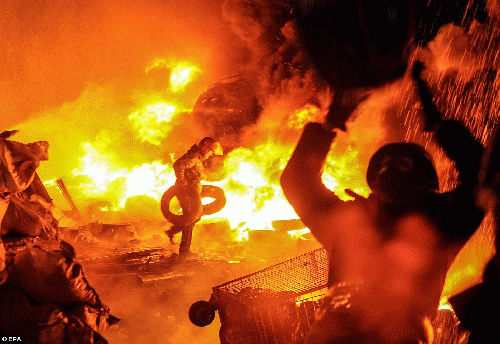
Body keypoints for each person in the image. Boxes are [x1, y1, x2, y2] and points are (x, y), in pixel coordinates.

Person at [280, 62, 485, 343]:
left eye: (401, 169)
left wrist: (332, 122)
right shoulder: (443, 221)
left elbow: (297, 180)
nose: (394, 176)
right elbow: (482, 176)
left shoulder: (353, 220)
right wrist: (438, 124)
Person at [165, 137, 223, 256]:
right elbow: (178, 165)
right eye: (211, 152)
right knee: (189, 220)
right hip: (186, 193)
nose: (211, 155)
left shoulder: (198, 158)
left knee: (196, 217)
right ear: (206, 149)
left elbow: (193, 175)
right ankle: (184, 252)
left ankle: (172, 232)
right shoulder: (194, 157)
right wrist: (181, 182)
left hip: (193, 191)